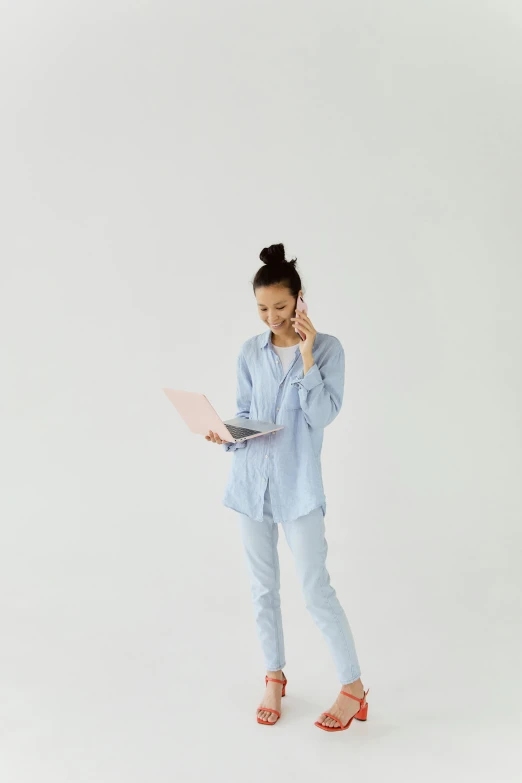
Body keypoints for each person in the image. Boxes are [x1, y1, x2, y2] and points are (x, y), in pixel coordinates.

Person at [206, 243, 369, 732]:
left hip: (298, 489)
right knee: (262, 588)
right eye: (262, 308)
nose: (271, 316)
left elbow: (321, 418)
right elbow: (246, 414)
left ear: (300, 299)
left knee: (316, 589)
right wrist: (225, 433)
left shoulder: (329, 350)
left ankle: (354, 689)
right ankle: (274, 677)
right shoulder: (248, 352)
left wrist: (306, 356)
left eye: (280, 306)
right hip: (250, 486)